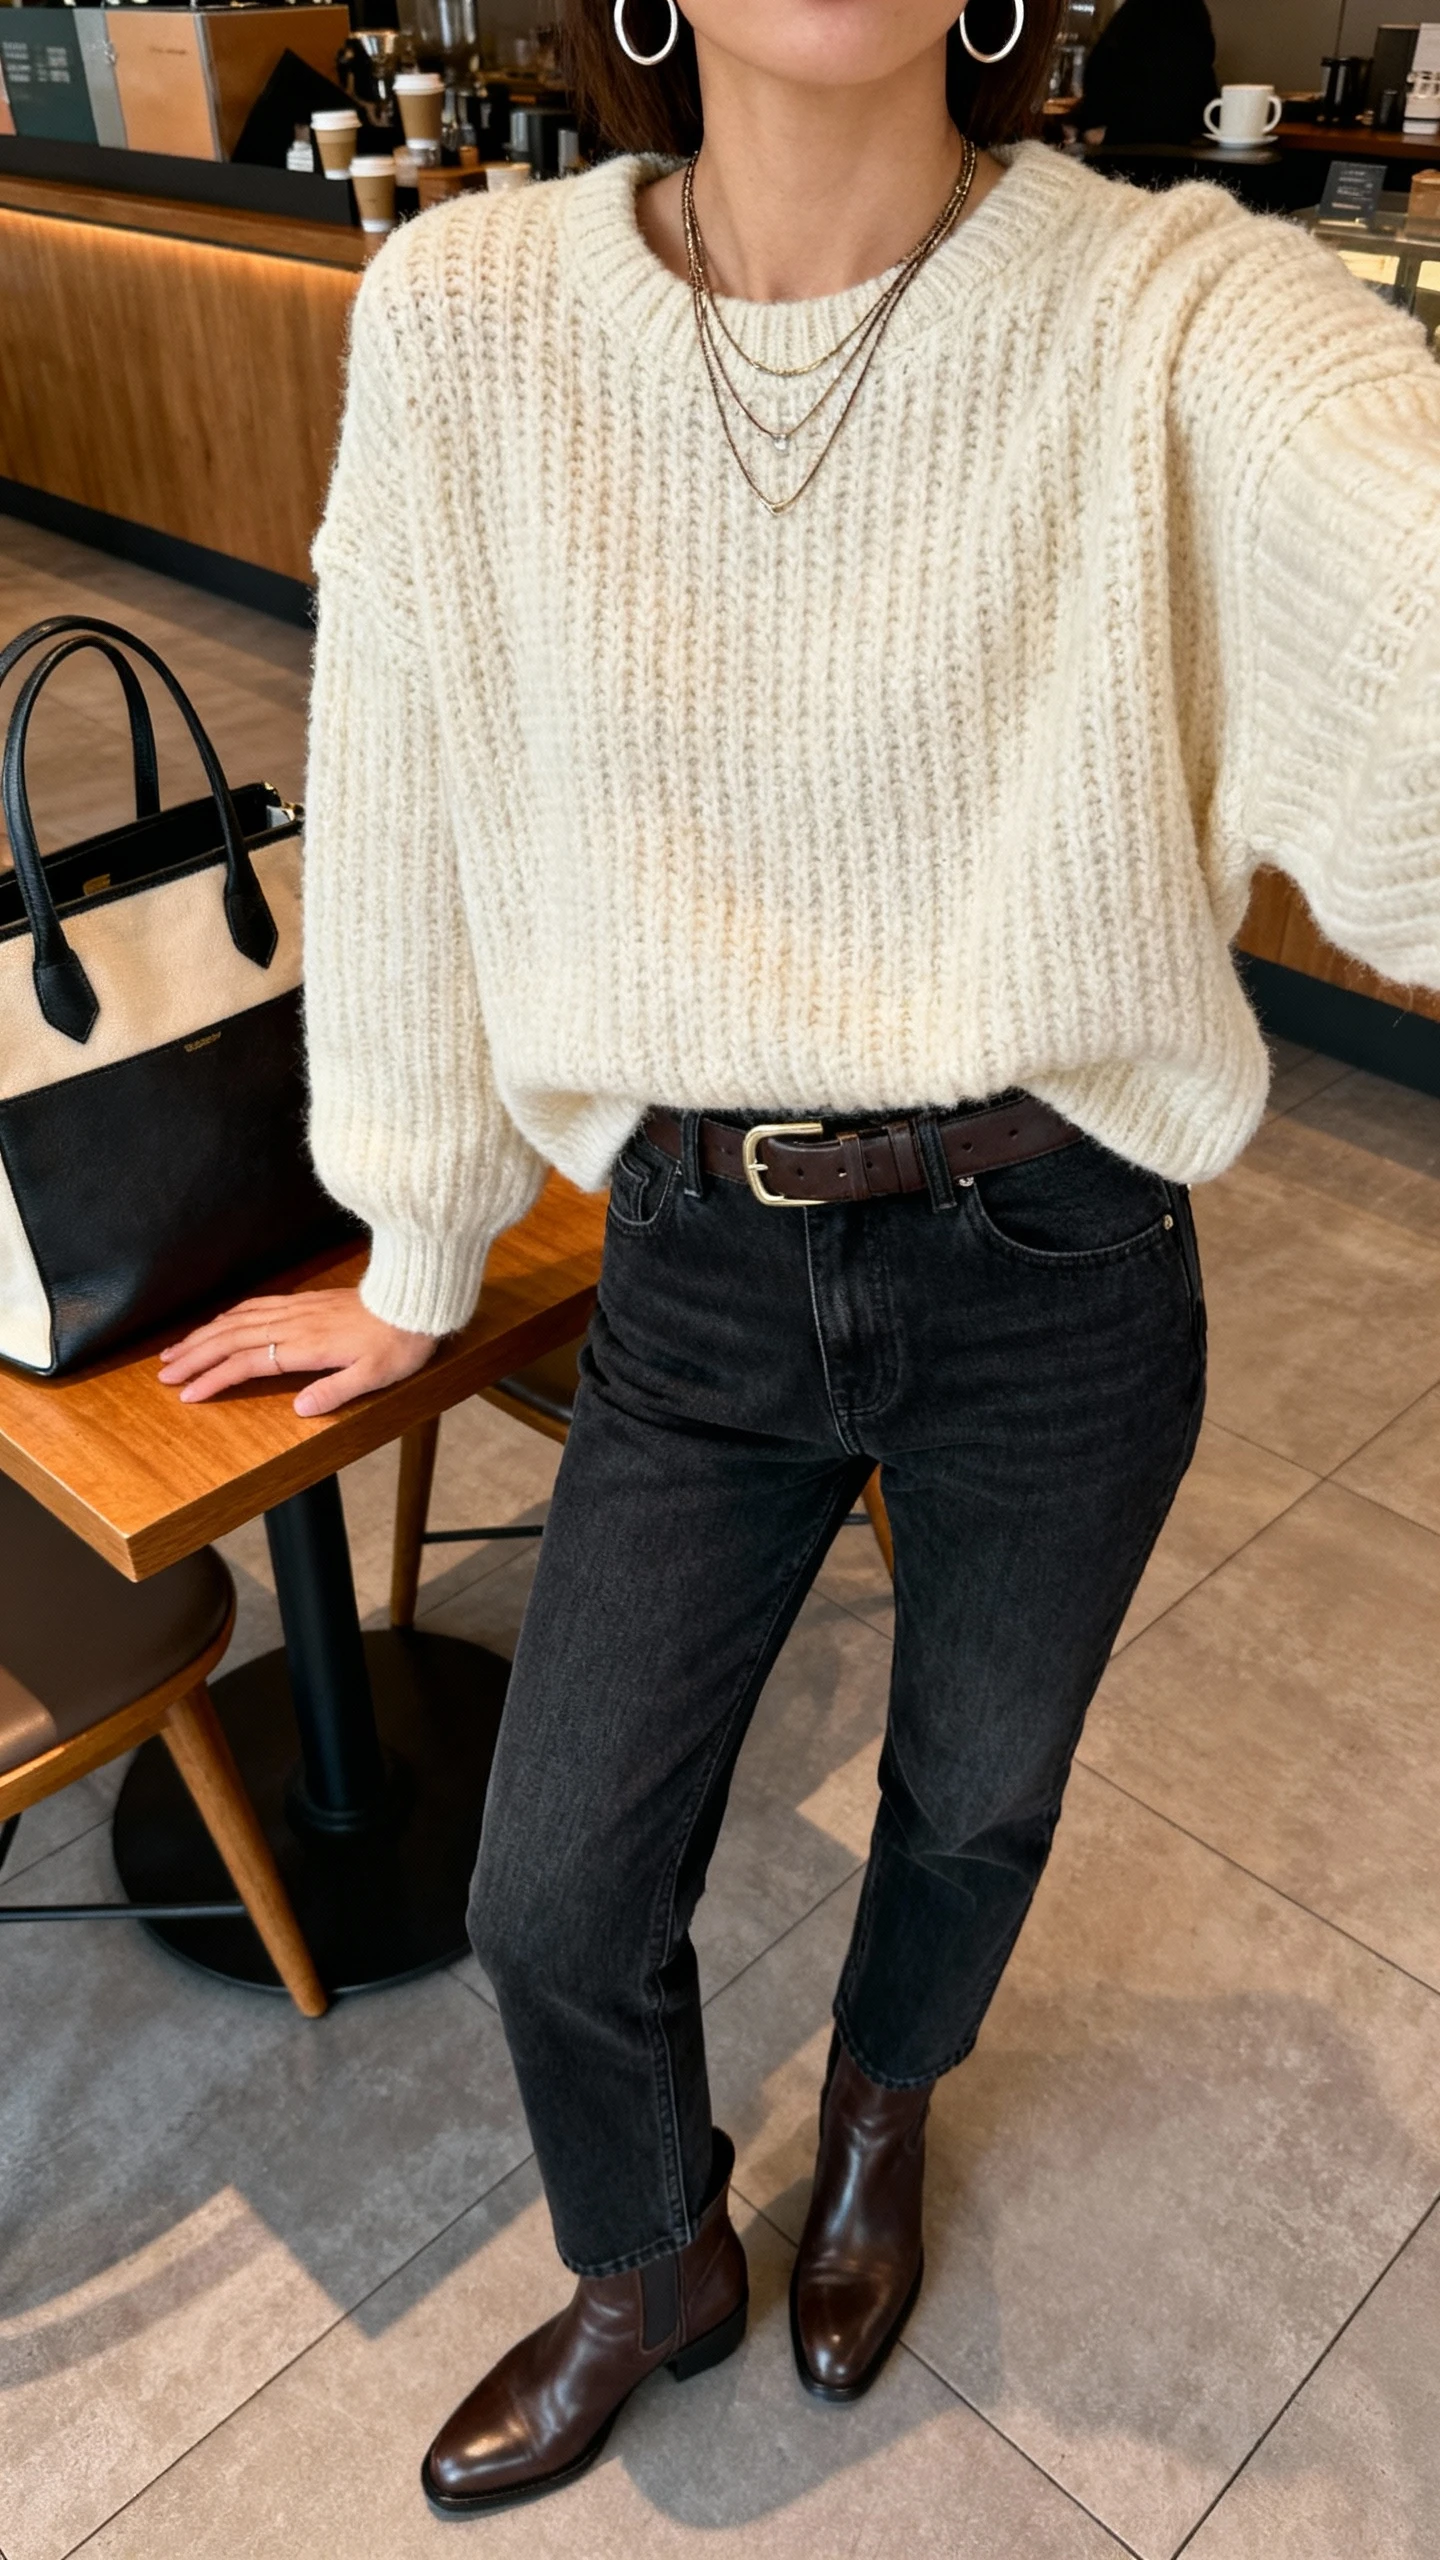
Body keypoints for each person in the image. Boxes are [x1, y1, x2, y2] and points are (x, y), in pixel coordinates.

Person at [161, 0, 1440, 2519]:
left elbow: (1382, 533)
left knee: (971, 1792)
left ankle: (874, 2116)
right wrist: (416, 1244)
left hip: (1055, 1249)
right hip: (696, 1264)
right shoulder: (465, 314)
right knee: (545, 1885)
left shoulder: (1165, 303)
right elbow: (401, 779)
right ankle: (646, 2254)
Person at [1078, 0, 1216, 146]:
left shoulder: (1145, 15)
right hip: (1181, 147)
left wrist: (1104, 134)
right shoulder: (1189, 15)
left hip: (1129, 148)